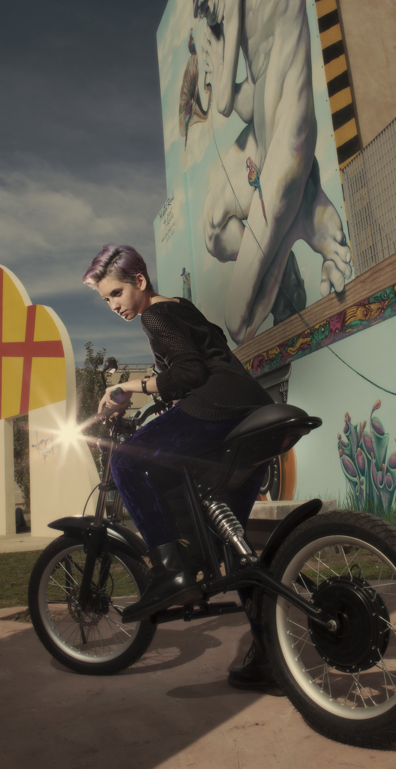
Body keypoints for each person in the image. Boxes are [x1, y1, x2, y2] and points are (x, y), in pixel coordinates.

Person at [83, 243, 279, 691]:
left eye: (116, 294)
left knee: (127, 459)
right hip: (252, 412)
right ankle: (269, 656)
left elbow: (190, 374)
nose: (113, 306)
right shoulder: (181, 308)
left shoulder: (155, 314)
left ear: (139, 281)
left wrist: (125, 388)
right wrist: (166, 400)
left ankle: (172, 571)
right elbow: (202, 365)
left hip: (222, 407)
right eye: (106, 300)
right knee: (232, 545)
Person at [195, 0, 352, 344]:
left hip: (286, 141)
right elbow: (250, 98)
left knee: (236, 322)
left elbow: (223, 102)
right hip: (269, 133)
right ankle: (301, 220)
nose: (213, 9)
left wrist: (213, 51)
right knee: (212, 226)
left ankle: (292, 232)